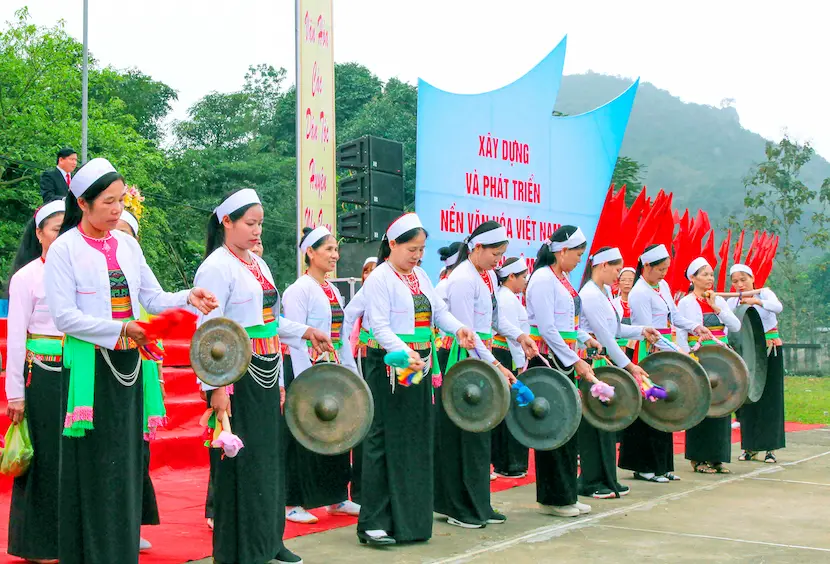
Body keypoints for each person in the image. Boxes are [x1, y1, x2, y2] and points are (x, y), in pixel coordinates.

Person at [43, 158, 218, 564]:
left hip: (130, 367)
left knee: (125, 464)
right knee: (95, 468)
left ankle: (121, 550)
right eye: (108, 201)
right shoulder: (65, 249)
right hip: (92, 370)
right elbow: (64, 317)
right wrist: (122, 330)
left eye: (121, 200)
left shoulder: (127, 244)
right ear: (82, 203)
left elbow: (152, 299)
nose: (117, 209)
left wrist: (187, 297)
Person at [194, 188, 331, 564]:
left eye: (260, 224)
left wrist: (307, 332)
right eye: (250, 224)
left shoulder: (258, 265)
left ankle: (270, 540)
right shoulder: (216, 267)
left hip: (268, 371)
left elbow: (270, 322)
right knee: (243, 464)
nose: (257, 232)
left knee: (270, 460)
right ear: (227, 222)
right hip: (237, 375)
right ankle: (242, 548)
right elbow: (209, 331)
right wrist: (216, 387)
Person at [356, 213, 476, 545]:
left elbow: (438, 312)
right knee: (383, 440)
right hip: (390, 365)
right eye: (411, 248)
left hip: (418, 364)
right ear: (392, 244)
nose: (417, 255)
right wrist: (403, 350)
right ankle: (374, 522)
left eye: (421, 249)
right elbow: (378, 326)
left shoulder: (421, 275)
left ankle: (410, 522)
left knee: (414, 438)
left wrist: (458, 327)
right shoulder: (380, 278)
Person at [434, 221, 535, 529]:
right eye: (495, 253)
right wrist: (497, 365)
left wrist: (519, 337)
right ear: (476, 248)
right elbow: (468, 331)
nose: (498, 261)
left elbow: (495, 320)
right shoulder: (463, 278)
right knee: (462, 435)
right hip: (461, 359)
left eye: (502, 254)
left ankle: (479, 502)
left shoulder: (488, 276)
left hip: (478, 358)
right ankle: (459, 506)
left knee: (480, 434)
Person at [282, 226, 361, 524]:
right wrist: (306, 384)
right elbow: (294, 339)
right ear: (310, 253)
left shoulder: (332, 290)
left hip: (331, 373)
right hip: (306, 374)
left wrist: (350, 373)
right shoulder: (298, 291)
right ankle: (292, 501)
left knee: (335, 433)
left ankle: (337, 496)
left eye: (335, 249)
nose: (335, 255)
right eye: (328, 249)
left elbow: (341, 338)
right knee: (299, 435)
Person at [618, 244, 714, 484]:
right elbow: (647, 331)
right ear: (646, 266)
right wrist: (676, 350)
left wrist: (694, 326)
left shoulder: (662, 286)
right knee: (649, 407)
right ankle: (644, 465)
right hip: (648, 352)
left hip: (666, 349)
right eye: (659, 269)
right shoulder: (639, 292)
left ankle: (663, 465)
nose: (663, 273)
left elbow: (674, 316)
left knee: (666, 406)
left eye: (666, 269)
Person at [526, 225, 602, 517]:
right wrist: (575, 360)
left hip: (564, 358)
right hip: (549, 360)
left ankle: (567, 493)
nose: (578, 260)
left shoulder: (563, 279)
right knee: (552, 429)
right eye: (577, 254)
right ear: (562, 251)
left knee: (568, 428)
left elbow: (568, 324)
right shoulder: (543, 279)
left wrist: (584, 340)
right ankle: (554, 498)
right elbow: (547, 328)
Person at [6, 199, 65, 563]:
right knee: (44, 460)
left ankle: (66, 538)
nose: (61, 238)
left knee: (70, 459)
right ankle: (37, 545)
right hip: (41, 376)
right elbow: (15, 339)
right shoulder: (26, 277)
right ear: (40, 233)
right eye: (56, 230)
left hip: (78, 373)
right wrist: (16, 394)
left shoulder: (79, 273)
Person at [577, 247, 661, 499]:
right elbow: (605, 337)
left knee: (606, 422)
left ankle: (607, 478)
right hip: (592, 362)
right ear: (602, 266)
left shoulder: (603, 293)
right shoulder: (590, 294)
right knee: (594, 422)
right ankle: (591, 481)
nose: (619, 274)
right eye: (616, 268)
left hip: (604, 362)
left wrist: (641, 330)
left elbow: (616, 330)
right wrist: (628, 365)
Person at [114, 207, 162, 552]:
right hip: (107, 366)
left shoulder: (141, 287)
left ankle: (131, 523)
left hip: (139, 374)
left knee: (137, 454)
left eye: (126, 234)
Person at [679, 258, 742, 474]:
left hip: (720, 359)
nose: (710, 278)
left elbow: (735, 325)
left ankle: (717, 457)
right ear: (692, 278)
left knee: (722, 405)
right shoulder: (686, 302)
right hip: (699, 358)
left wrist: (717, 308)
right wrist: (685, 357)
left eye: (711, 274)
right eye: (705, 274)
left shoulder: (718, 301)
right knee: (702, 406)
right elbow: (680, 332)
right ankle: (698, 458)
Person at [727, 264, 785, 463]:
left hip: (770, 350)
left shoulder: (765, 293)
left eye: (743, 280)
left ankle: (770, 447)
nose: (740, 284)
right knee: (748, 399)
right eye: (735, 281)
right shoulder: (733, 300)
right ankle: (749, 447)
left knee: (770, 397)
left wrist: (757, 301)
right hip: (747, 353)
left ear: (752, 278)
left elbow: (778, 307)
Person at [491, 257, 531, 479]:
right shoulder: (505, 298)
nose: (525, 281)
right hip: (505, 356)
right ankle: (507, 462)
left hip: (510, 356)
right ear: (512, 277)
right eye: (523, 276)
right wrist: (520, 365)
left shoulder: (510, 297)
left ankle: (508, 461)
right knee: (509, 409)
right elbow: (510, 334)